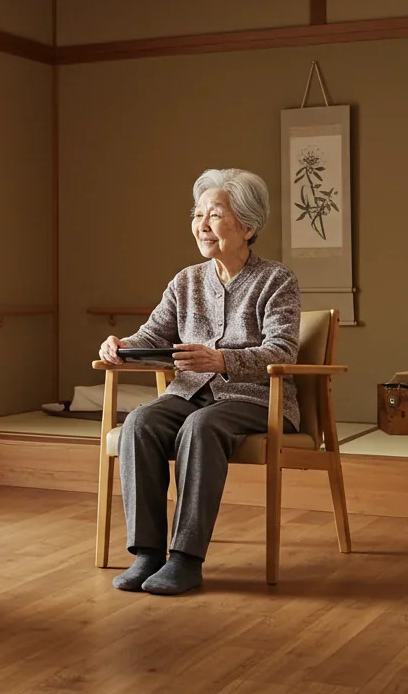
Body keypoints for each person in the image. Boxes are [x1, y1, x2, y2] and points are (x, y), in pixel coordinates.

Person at [99, 168, 302, 595]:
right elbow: (153, 335)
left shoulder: (276, 279)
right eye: (197, 214)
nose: (202, 224)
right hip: (189, 392)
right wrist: (122, 344)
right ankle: (148, 554)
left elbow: (282, 351)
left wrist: (223, 360)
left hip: (255, 398)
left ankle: (186, 560)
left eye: (215, 214)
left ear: (247, 227)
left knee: (201, 426)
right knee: (140, 422)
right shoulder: (186, 280)